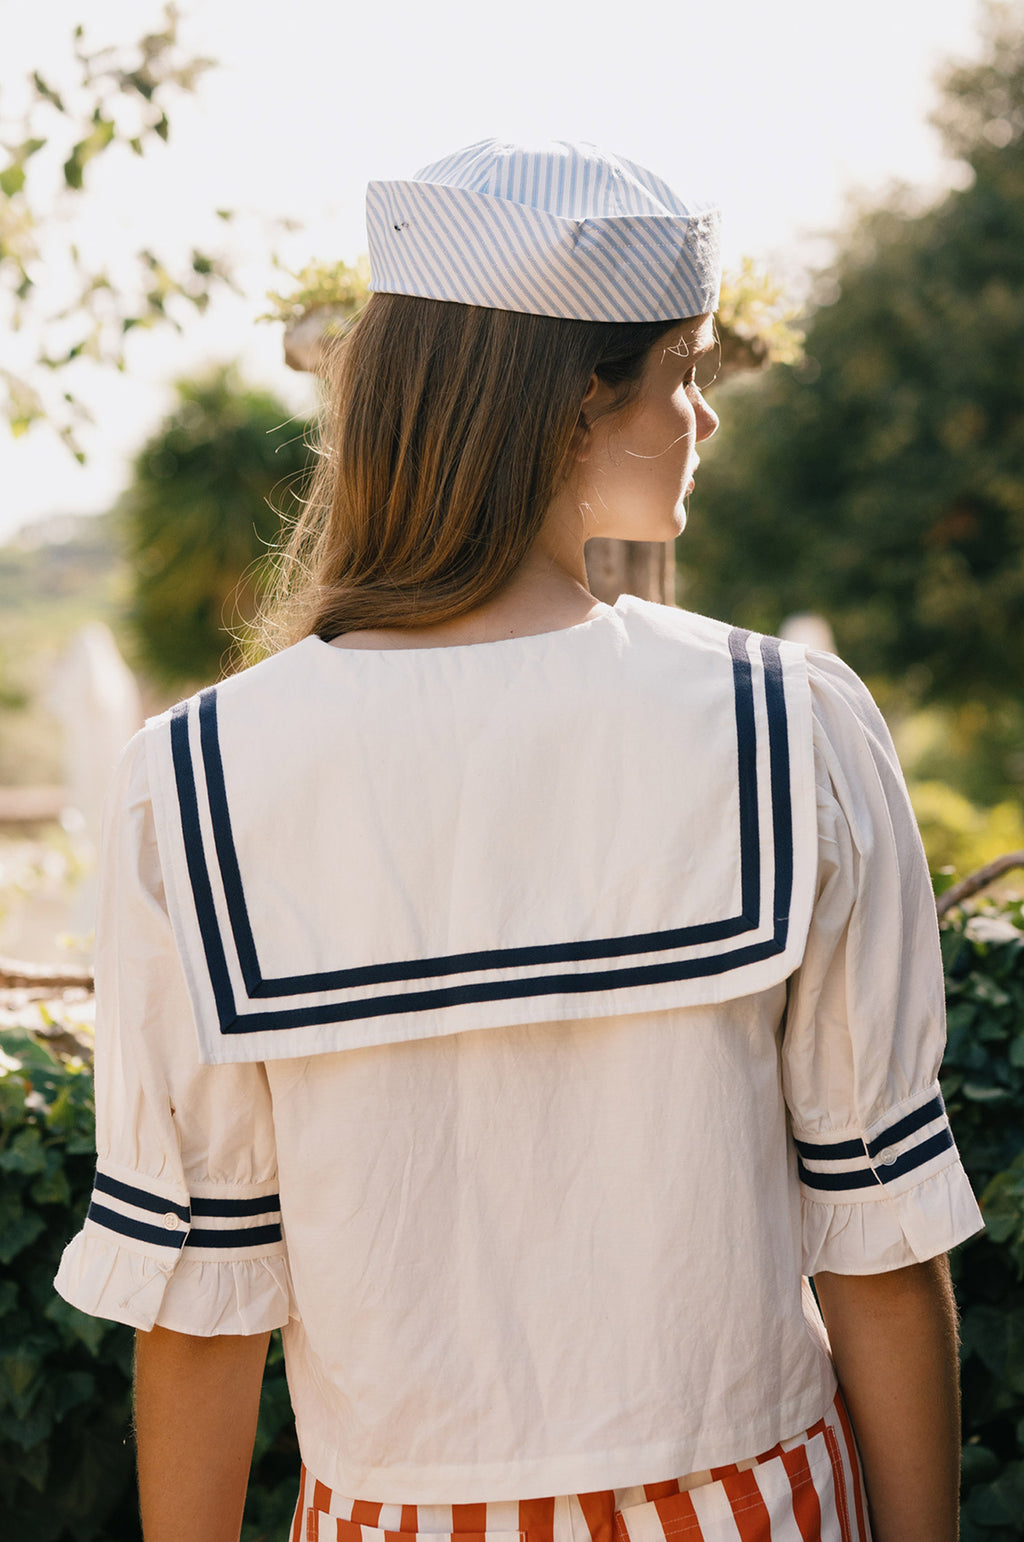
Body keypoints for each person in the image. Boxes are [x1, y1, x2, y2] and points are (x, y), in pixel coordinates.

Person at [55, 140, 983, 1542]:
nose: (703, 417)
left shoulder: (189, 779)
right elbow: (877, 1233)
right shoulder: (789, 724)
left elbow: (202, 1301)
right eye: (679, 372)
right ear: (570, 406)